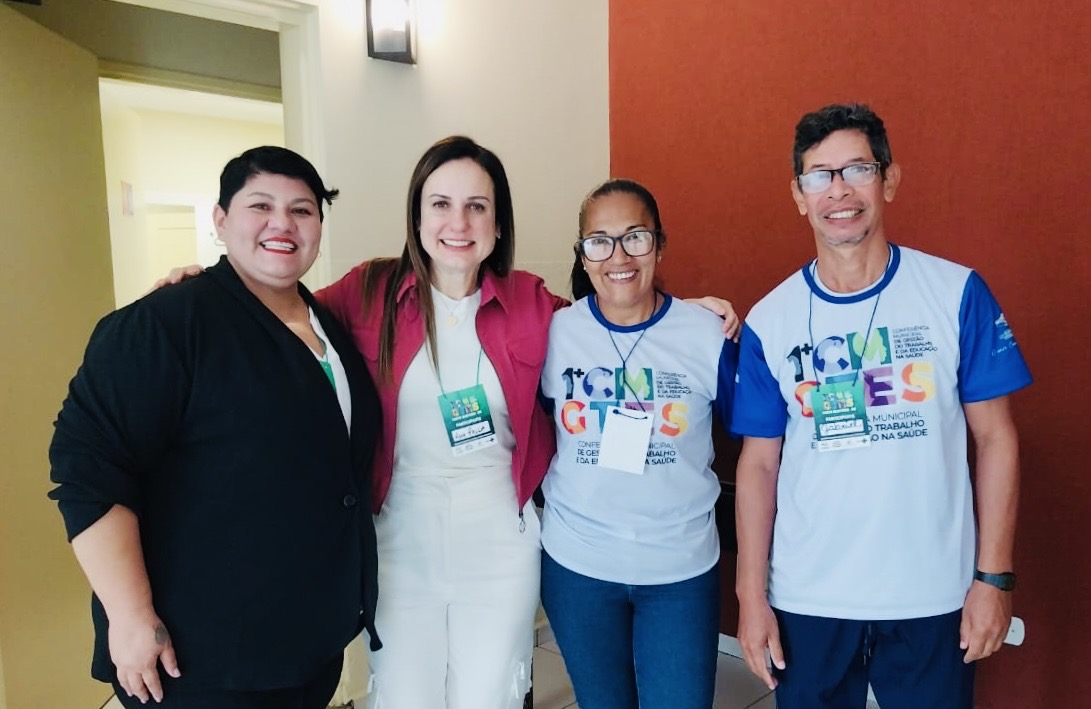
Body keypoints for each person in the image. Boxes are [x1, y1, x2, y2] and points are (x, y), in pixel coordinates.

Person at [159, 137, 738, 708]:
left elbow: (614, 322)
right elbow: (281, 306)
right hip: (397, 538)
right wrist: (212, 286)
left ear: (498, 223)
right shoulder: (369, 292)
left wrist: (689, 314)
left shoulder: (533, 303)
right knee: (407, 694)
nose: (458, 222)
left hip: (498, 540)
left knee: (489, 694)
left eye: (477, 206)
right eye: (440, 203)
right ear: (416, 215)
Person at [48, 147, 382, 708]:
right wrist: (130, 618)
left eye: (302, 210)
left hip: (305, 642)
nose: (283, 223)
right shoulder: (166, 323)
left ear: (319, 227)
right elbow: (88, 472)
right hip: (202, 659)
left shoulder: (326, 322)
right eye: (261, 205)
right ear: (221, 220)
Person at [732, 103, 1033, 708]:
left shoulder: (956, 294)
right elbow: (758, 465)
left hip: (930, 593)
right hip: (808, 597)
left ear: (889, 180)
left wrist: (992, 578)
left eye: (857, 169)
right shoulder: (770, 319)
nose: (838, 191)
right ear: (798, 194)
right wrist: (750, 597)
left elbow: (997, 438)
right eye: (819, 174)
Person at [537, 178, 737, 708]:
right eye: (599, 241)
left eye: (635, 237)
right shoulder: (554, 333)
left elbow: (755, 439)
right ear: (582, 254)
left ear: (660, 244)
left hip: (680, 570)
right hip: (578, 567)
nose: (618, 255)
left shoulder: (706, 335)